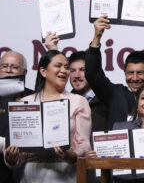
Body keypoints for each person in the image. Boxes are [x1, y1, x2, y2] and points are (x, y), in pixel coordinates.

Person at [4, 50, 92, 183]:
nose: (64, 70)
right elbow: (19, 155)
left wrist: (71, 155)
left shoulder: (78, 101)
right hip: (32, 174)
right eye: (58, 66)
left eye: (66, 67)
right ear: (43, 71)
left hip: (66, 173)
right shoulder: (24, 103)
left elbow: (84, 144)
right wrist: (11, 156)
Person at [45, 33, 107, 132]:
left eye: (82, 70)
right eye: (72, 71)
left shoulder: (107, 100)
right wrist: (52, 49)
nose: (76, 76)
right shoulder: (64, 101)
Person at [0, 51, 34, 183]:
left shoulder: (34, 97)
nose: (8, 71)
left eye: (14, 67)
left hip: (25, 168)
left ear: (25, 72)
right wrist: (5, 145)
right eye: (4, 66)